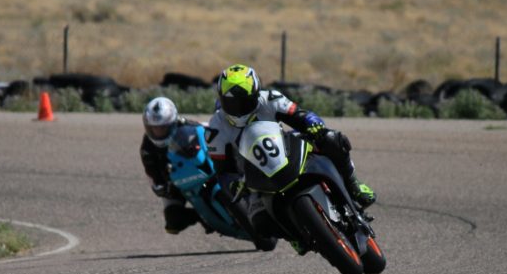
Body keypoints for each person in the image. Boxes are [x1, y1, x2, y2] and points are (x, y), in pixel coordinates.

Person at [206, 63, 376, 209]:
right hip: (250, 175)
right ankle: (296, 235)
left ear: (257, 93)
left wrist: (313, 124)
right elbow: (223, 171)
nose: (238, 107)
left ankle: (353, 185)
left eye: (244, 101)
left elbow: (302, 116)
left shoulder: (271, 99)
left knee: (332, 140)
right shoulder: (216, 127)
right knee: (260, 224)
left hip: (283, 147)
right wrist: (233, 183)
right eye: (231, 103)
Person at [139, 96, 203, 234]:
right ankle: (204, 217)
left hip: (200, 170)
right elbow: (152, 175)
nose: (159, 132)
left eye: (163, 128)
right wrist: (161, 186)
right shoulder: (147, 148)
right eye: (155, 129)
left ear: (173, 122)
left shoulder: (187, 126)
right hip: (175, 184)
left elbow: (207, 132)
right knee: (173, 224)